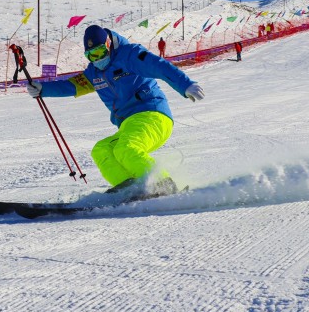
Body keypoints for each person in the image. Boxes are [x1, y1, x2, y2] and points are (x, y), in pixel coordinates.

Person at [27, 24, 204, 194]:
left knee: (126, 148)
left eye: (99, 52)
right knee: (102, 150)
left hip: (152, 115)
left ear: (108, 44)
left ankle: (164, 186)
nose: (97, 59)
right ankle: (129, 189)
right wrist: (43, 89)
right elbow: (72, 86)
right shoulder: (94, 72)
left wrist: (185, 85)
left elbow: (157, 65)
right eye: (91, 55)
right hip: (128, 123)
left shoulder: (129, 55)